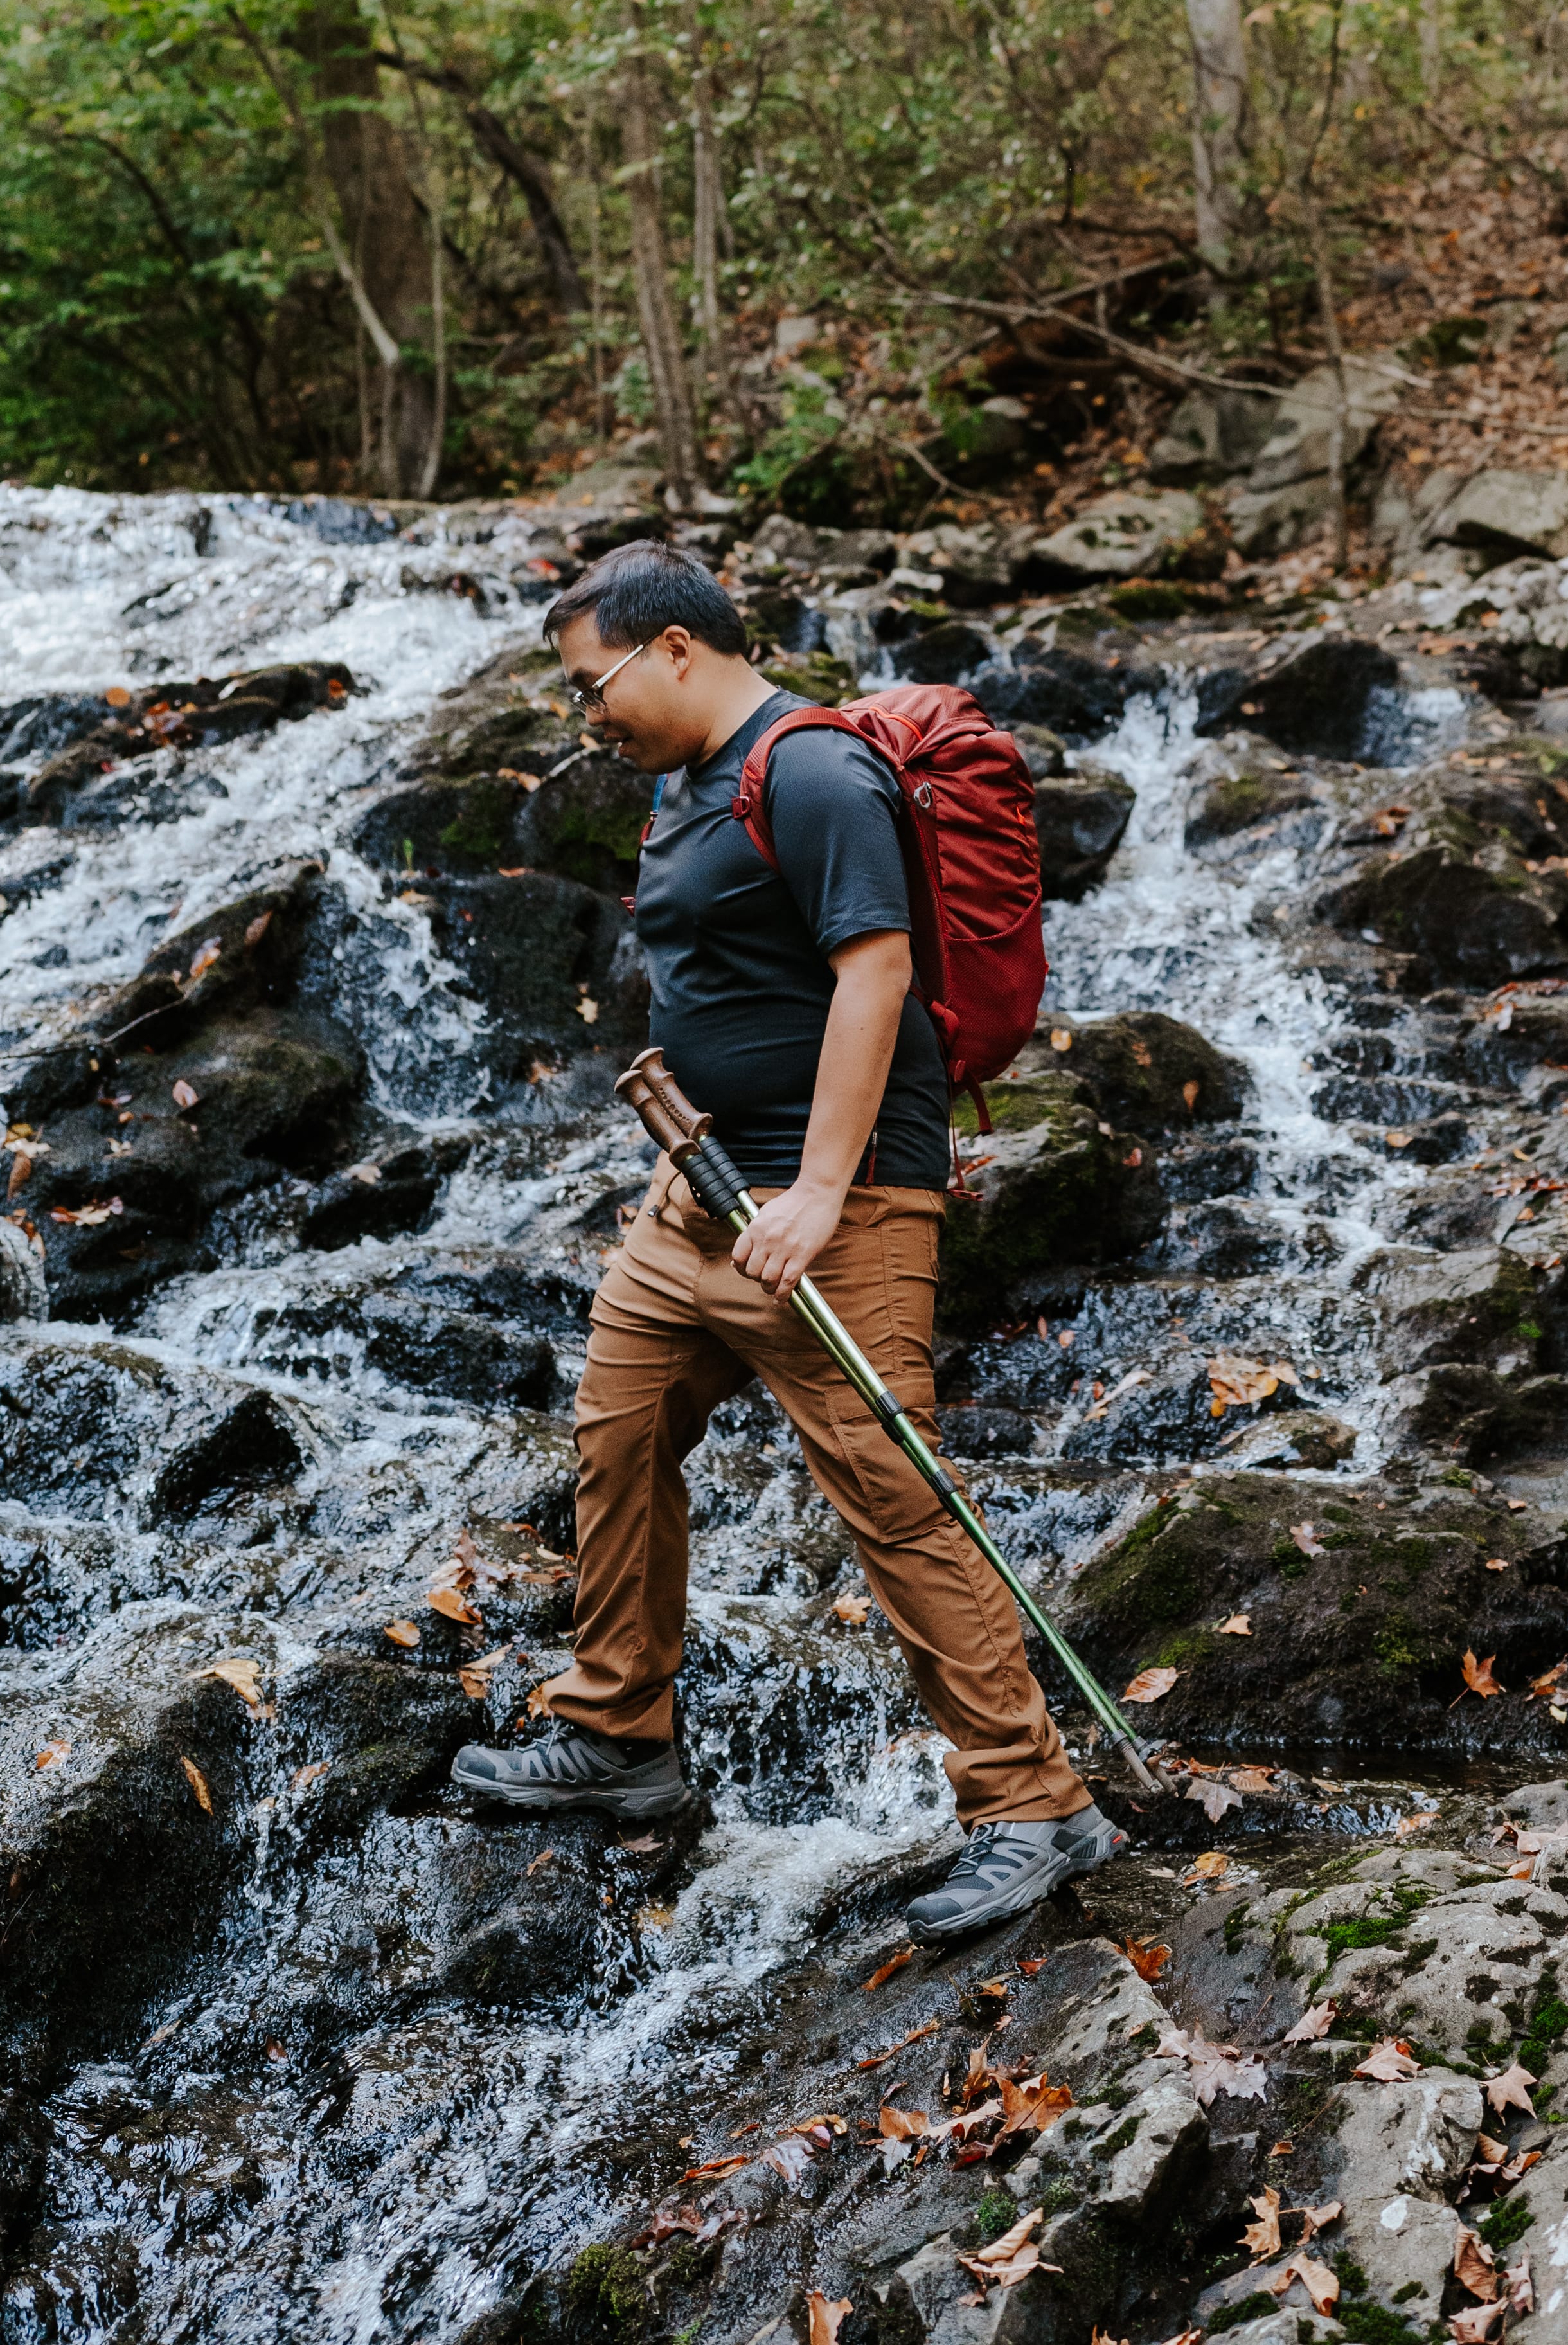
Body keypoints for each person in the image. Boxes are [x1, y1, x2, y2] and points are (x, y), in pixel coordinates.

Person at [450, 541, 1124, 1934]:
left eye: (593, 688)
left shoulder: (810, 770)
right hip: (689, 1196)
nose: (588, 717)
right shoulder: (681, 786)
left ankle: (1034, 1803)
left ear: (674, 648)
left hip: (837, 1203)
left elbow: (875, 975)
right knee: (616, 1437)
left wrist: (818, 1190)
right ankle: (620, 1735)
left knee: (893, 1496)